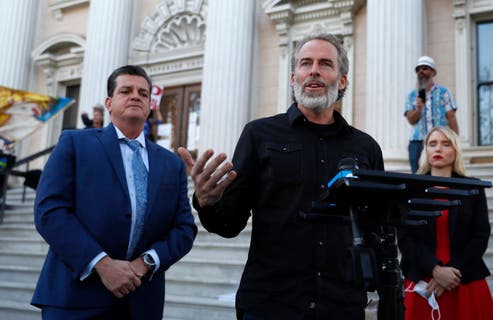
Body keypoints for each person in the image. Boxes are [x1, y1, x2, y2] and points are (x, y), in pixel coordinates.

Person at [178, 33, 384, 319]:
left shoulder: (366, 148)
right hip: (271, 304)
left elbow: (377, 228)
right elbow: (228, 224)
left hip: (341, 306)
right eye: (305, 63)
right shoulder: (259, 135)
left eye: (325, 63)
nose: (314, 70)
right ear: (293, 78)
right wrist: (206, 200)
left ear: (343, 80)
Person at [31, 65, 197, 320]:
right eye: (126, 91)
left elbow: (184, 228)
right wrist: (102, 264)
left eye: (143, 93)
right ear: (109, 103)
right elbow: (50, 211)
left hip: (141, 303)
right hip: (74, 298)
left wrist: (145, 264)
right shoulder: (75, 143)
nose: (135, 96)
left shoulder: (170, 163)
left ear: (150, 104)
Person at [398, 126, 493, 320]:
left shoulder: (473, 187)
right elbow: (404, 238)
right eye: (432, 144)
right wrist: (435, 270)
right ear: (425, 150)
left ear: (456, 151)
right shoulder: (410, 188)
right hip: (422, 283)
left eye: (446, 144)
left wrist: (451, 274)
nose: (438, 149)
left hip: (464, 280)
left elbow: (480, 236)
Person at [404, 56, 459, 173]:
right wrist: (418, 108)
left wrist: (455, 142)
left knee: (439, 173)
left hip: (439, 142)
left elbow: (451, 117)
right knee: (418, 176)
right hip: (417, 142)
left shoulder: (444, 92)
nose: (421, 72)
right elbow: (411, 120)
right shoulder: (412, 95)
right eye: (418, 69)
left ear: (433, 72)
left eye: (425, 68)